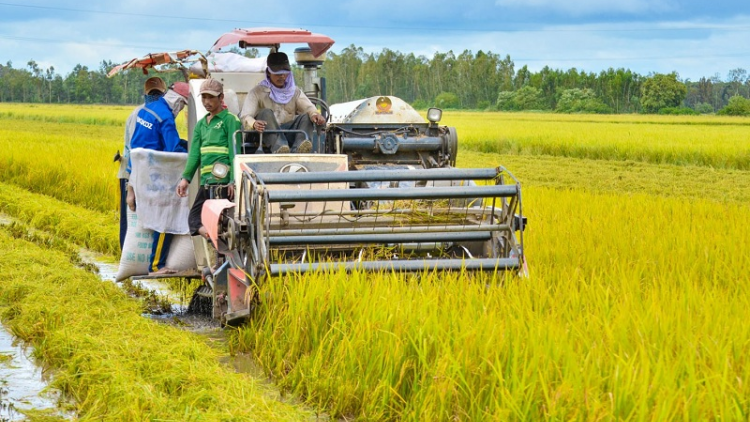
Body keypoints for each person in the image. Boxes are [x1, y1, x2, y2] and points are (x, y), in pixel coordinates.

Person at [126, 81, 190, 275]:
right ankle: (156, 265)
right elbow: (173, 149)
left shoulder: (148, 109)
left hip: (141, 174)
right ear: (179, 102)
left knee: (159, 216)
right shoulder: (166, 117)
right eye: (183, 105)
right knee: (167, 216)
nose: (180, 110)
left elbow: (134, 146)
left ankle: (156, 263)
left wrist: (130, 187)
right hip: (157, 176)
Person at [176, 78, 242, 239]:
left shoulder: (230, 120)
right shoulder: (201, 125)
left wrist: (233, 180)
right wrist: (186, 179)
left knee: (222, 221)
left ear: (221, 98)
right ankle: (212, 238)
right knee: (194, 219)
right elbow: (194, 155)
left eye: (211, 97)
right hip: (206, 182)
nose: (207, 101)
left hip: (222, 181)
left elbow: (235, 152)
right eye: (204, 97)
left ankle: (221, 257)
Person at [116, 76, 167, 250]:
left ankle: (142, 261)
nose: (155, 97)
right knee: (131, 220)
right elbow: (136, 149)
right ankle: (128, 258)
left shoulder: (149, 112)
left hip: (144, 173)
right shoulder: (142, 114)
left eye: (157, 94)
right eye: (153, 94)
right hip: (133, 174)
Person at [240, 52, 326, 154]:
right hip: (262, 135)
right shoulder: (257, 92)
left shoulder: (294, 91)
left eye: (285, 72)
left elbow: (309, 108)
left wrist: (315, 115)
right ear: (268, 72)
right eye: (277, 73)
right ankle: (279, 148)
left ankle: (299, 149)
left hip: (287, 132)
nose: (282, 76)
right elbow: (245, 116)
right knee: (266, 112)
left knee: (306, 116)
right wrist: (254, 123)